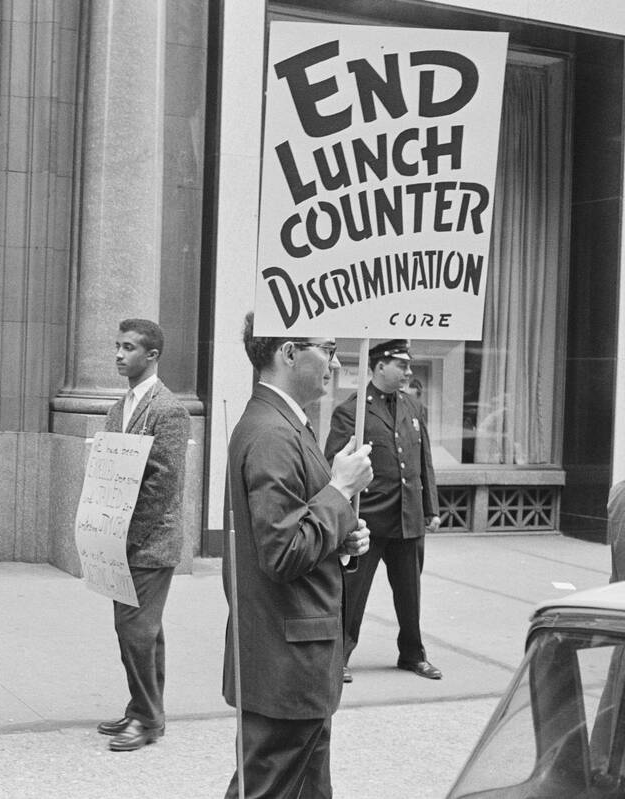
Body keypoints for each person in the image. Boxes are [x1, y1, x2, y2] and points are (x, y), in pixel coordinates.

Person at [224, 312, 372, 798]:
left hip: (293, 656)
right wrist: (339, 489)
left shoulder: (286, 423)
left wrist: (341, 537)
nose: (334, 363)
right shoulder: (273, 432)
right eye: (327, 350)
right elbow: (283, 552)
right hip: (288, 660)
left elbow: (294, 528)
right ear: (289, 352)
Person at [96, 318, 190, 753]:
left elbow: (163, 484)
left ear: (152, 355)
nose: (118, 354)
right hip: (119, 539)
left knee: (135, 630)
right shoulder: (120, 408)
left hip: (150, 541)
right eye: (117, 346)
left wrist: (122, 531)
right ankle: (142, 709)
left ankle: (148, 720)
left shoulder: (168, 409)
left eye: (128, 347)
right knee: (140, 631)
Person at [324, 339, 443, 682]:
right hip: (369, 518)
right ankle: (340, 655)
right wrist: (344, 517)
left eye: (408, 365)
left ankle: (412, 654)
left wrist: (430, 507)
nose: (408, 372)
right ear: (378, 366)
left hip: (408, 517)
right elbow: (339, 465)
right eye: (401, 365)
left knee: (410, 593)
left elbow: (424, 461)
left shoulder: (412, 406)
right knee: (353, 592)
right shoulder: (353, 410)